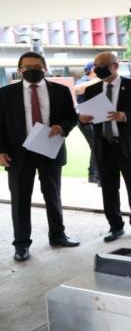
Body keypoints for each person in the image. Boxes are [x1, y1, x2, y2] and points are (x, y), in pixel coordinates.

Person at [0, 51, 80, 261]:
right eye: (26, 67)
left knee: (53, 196)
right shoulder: (5, 93)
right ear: (19, 70)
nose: (32, 70)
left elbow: (72, 117)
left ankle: (58, 235)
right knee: (20, 200)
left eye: (36, 66)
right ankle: (21, 245)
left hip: (49, 150)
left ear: (45, 68)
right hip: (18, 155)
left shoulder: (61, 91)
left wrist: (61, 126)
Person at [80, 52, 131, 243]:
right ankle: (115, 226)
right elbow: (86, 117)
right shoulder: (92, 90)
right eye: (96, 65)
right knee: (109, 189)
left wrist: (125, 116)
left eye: (103, 64)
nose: (98, 68)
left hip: (129, 145)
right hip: (104, 147)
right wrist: (84, 119)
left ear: (115, 65)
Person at [74, 61, 101, 184]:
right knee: (97, 146)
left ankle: (93, 175)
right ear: (93, 69)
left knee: (96, 147)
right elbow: (78, 89)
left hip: (97, 118)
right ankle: (96, 175)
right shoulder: (84, 80)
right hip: (86, 120)